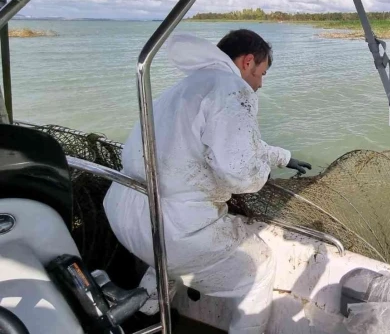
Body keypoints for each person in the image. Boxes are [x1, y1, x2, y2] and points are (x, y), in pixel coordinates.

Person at [103, 30, 311, 333]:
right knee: (261, 266)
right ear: (248, 61)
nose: (260, 83)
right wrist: (264, 173)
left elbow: (223, 141)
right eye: (261, 73)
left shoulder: (186, 88)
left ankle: (147, 311)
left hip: (127, 215)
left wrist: (282, 156)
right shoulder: (233, 89)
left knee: (173, 244)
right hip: (172, 233)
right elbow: (239, 171)